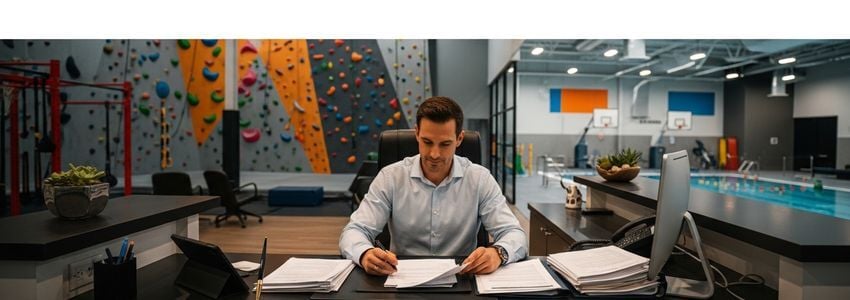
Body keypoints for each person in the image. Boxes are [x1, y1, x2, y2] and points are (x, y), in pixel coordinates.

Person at [339, 96, 528, 276]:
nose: (435, 154)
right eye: (427, 142)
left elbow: (514, 233)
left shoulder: (479, 179)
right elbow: (355, 231)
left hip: (463, 279)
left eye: (445, 144)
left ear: (459, 139)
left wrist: (498, 253)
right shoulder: (390, 177)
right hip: (401, 278)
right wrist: (364, 254)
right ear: (417, 134)